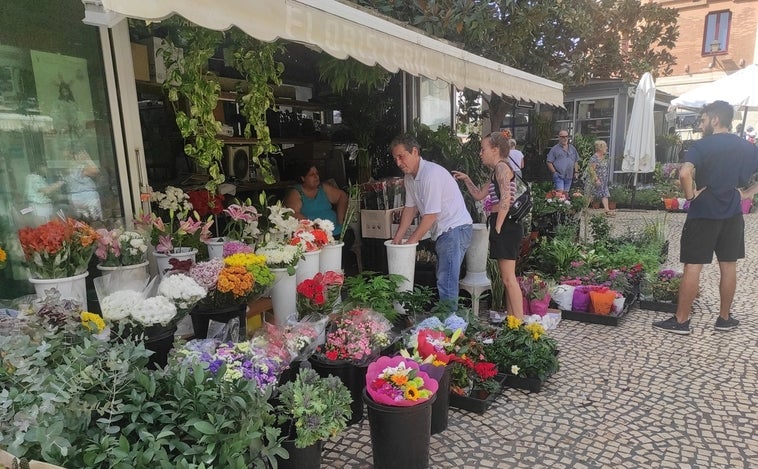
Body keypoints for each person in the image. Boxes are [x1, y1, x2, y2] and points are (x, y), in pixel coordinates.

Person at [653, 100, 758, 335]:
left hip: (703, 211)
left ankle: (681, 321)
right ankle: (724, 319)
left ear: (715, 119)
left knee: (693, 266)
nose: (700, 125)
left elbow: (684, 172)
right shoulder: (747, 147)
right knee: (728, 266)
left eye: (702, 120)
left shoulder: (702, 146)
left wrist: (690, 196)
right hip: (732, 211)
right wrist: (747, 193)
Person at [390, 134, 472, 311]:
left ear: (415, 152)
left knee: (446, 281)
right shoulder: (409, 178)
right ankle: (448, 325)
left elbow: (431, 215)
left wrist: (410, 243)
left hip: (454, 229)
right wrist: (397, 238)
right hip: (446, 231)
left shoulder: (431, 174)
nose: (398, 162)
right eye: (395, 158)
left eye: (401, 156)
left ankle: (450, 328)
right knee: (444, 278)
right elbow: (410, 209)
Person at [452, 132, 524, 319]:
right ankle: (512, 321)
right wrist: (467, 179)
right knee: (507, 278)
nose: (480, 153)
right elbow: (478, 194)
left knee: (509, 279)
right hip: (504, 225)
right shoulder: (496, 171)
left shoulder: (501, 167)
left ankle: (520, 324)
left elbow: (506, 198)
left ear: (495, 149)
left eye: (483, 149)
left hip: (506, 226)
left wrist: (499, 227)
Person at [284, 162, 347, 236]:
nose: (316, 176)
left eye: (317, 173)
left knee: (349, 235)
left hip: (335, 231)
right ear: (303, 178)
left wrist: (340, 220)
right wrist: (314, 227)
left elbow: (342, 196)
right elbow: (293, 213)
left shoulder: (323, 188)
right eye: (311, 175)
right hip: (311, 235)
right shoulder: (296, 193)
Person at [64, 149, 102, 221]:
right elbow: (96, 171)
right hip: (88, 198)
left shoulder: (68, 169)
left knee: (82, 222)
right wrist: (88, 159)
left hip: (75, 198)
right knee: (95, 220)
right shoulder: (81, 167)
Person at [585, 140, 614, 216]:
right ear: (601, 148)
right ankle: (583, 210)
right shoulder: (594, 158)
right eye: (605, 147)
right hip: (594, 180)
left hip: (603, 180)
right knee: (590, 195)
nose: (607, 148)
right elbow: (591, 170)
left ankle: (607, 210)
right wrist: (596, 179)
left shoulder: (603, 157)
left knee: (605, 194)